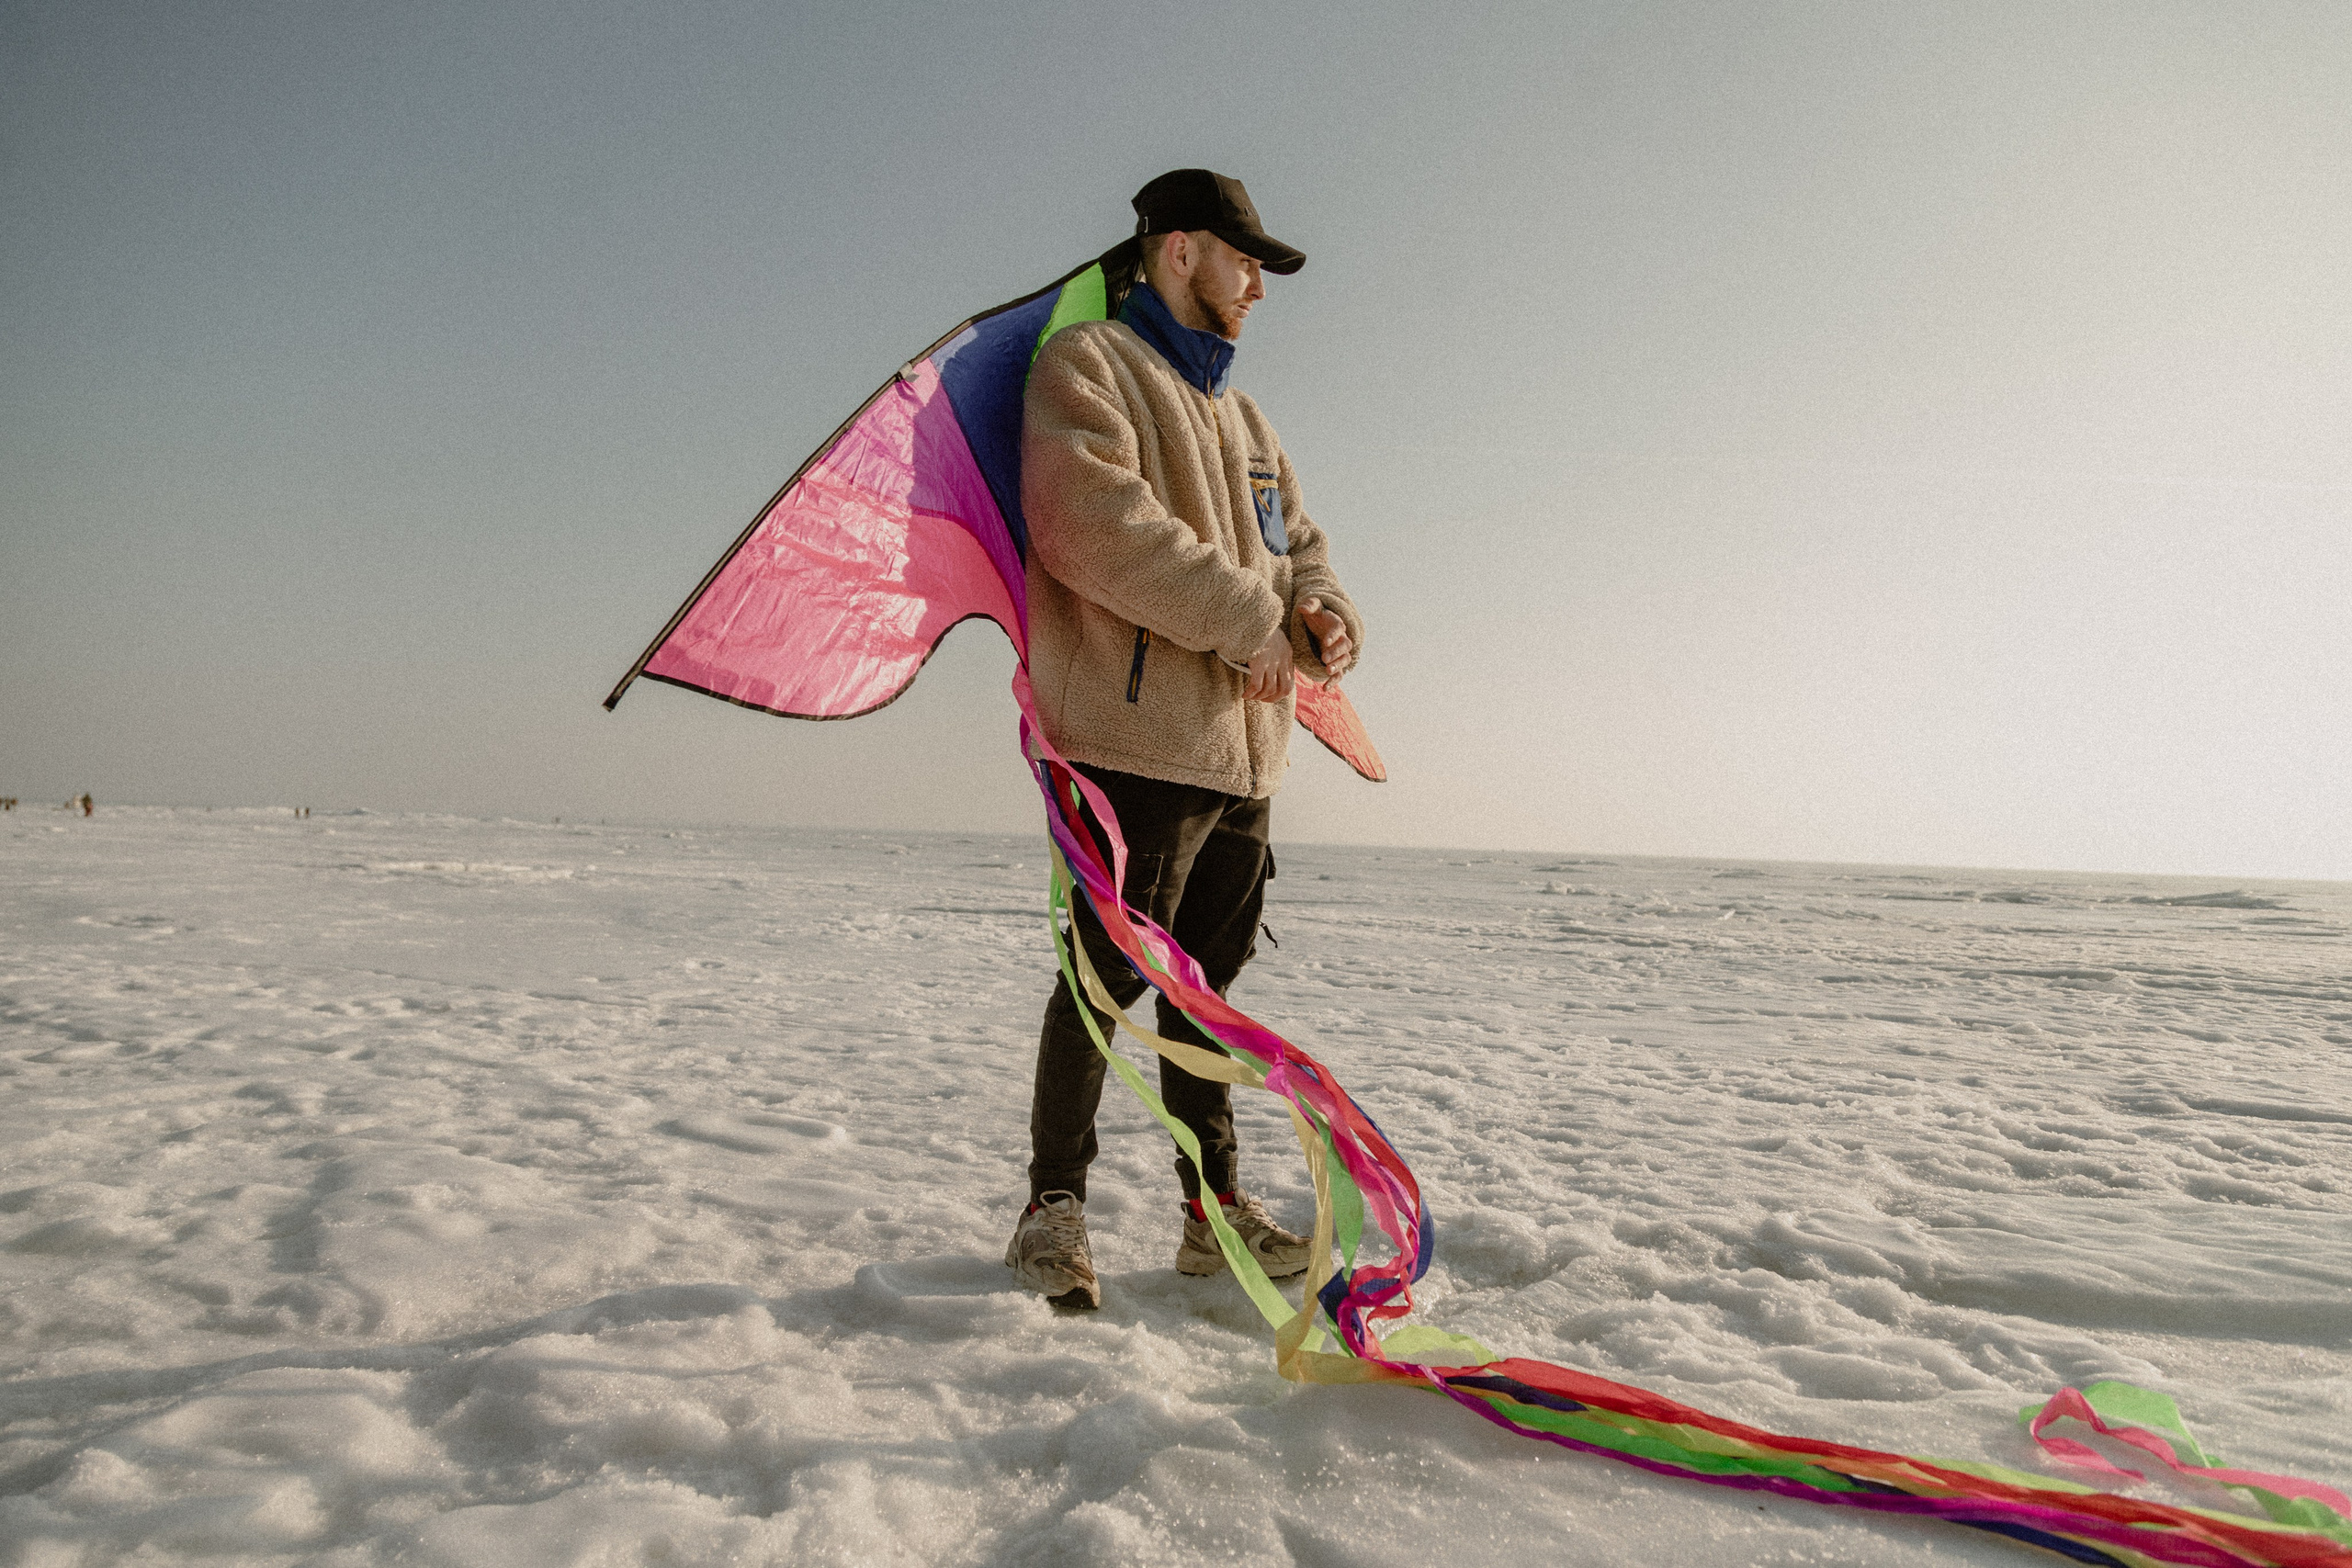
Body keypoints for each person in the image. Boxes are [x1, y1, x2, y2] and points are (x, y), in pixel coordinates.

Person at [1005, 170, 1364, 1309]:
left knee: (1209, 991)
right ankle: (1049, 1210)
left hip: (1247, 753)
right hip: (1127, 744)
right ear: (1174, 252)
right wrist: (1260, 618)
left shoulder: (1246, 419)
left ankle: (1213, 1215)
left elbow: (1300, 545)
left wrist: (1323, 616)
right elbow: (1091, 528)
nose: (1258, 285)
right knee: (1100, 981)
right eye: (1243, 260)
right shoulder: (1087, 370)